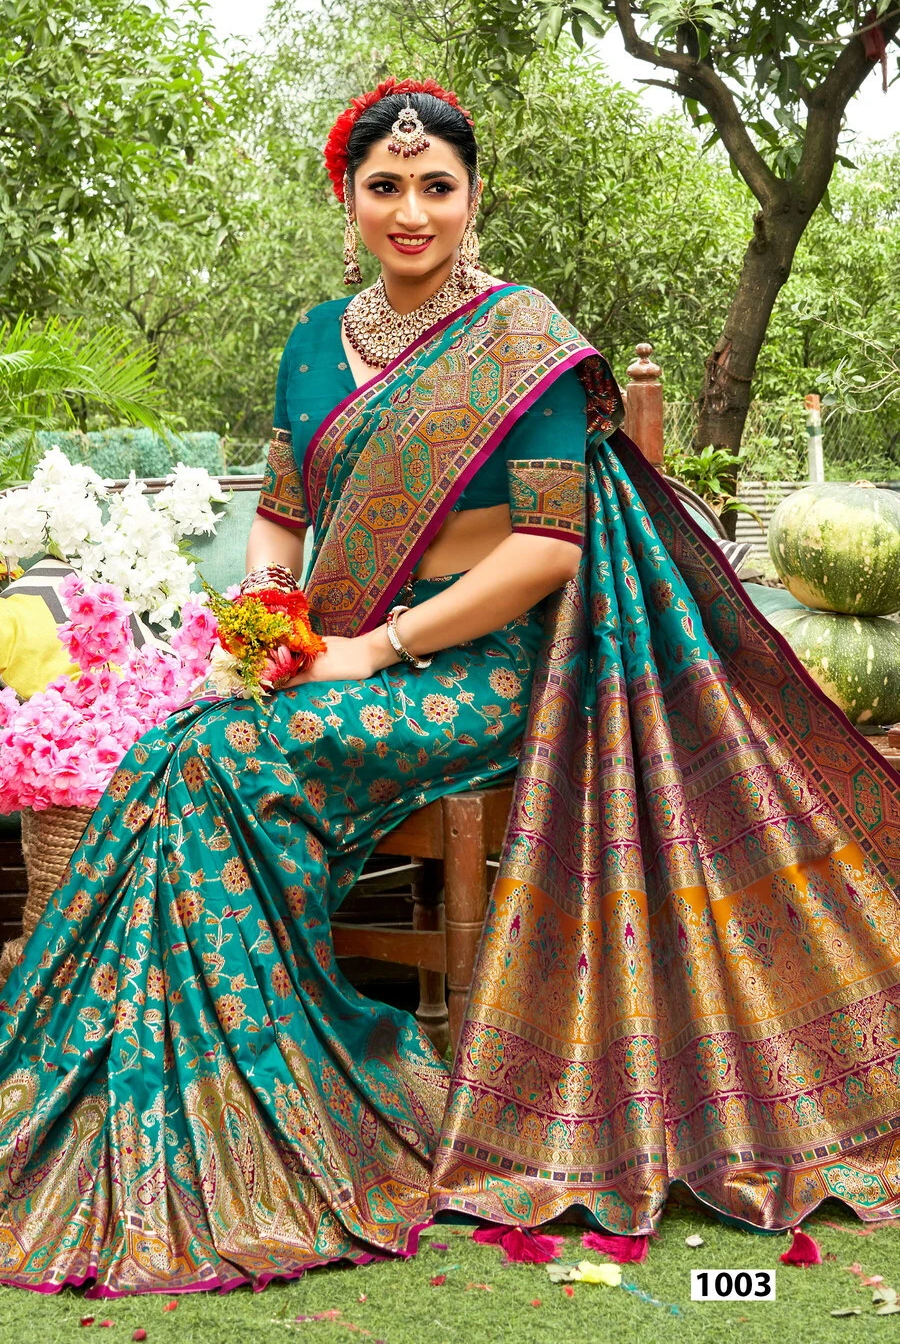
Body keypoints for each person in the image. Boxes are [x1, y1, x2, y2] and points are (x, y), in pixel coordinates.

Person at [1, 78, 899, 1298]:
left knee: (214, 758)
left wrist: (377, 648)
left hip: (486, 666)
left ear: (474, 198)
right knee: (174, 749)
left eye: (437, 186)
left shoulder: (521, 338)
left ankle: (291, 1098)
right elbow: (283, 516)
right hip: (339, 648)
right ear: (349, 199)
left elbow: (549, 550)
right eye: (386, 187)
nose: (411, 211)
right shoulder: (314, 340)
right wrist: (267, 614)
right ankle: (178, 1083)